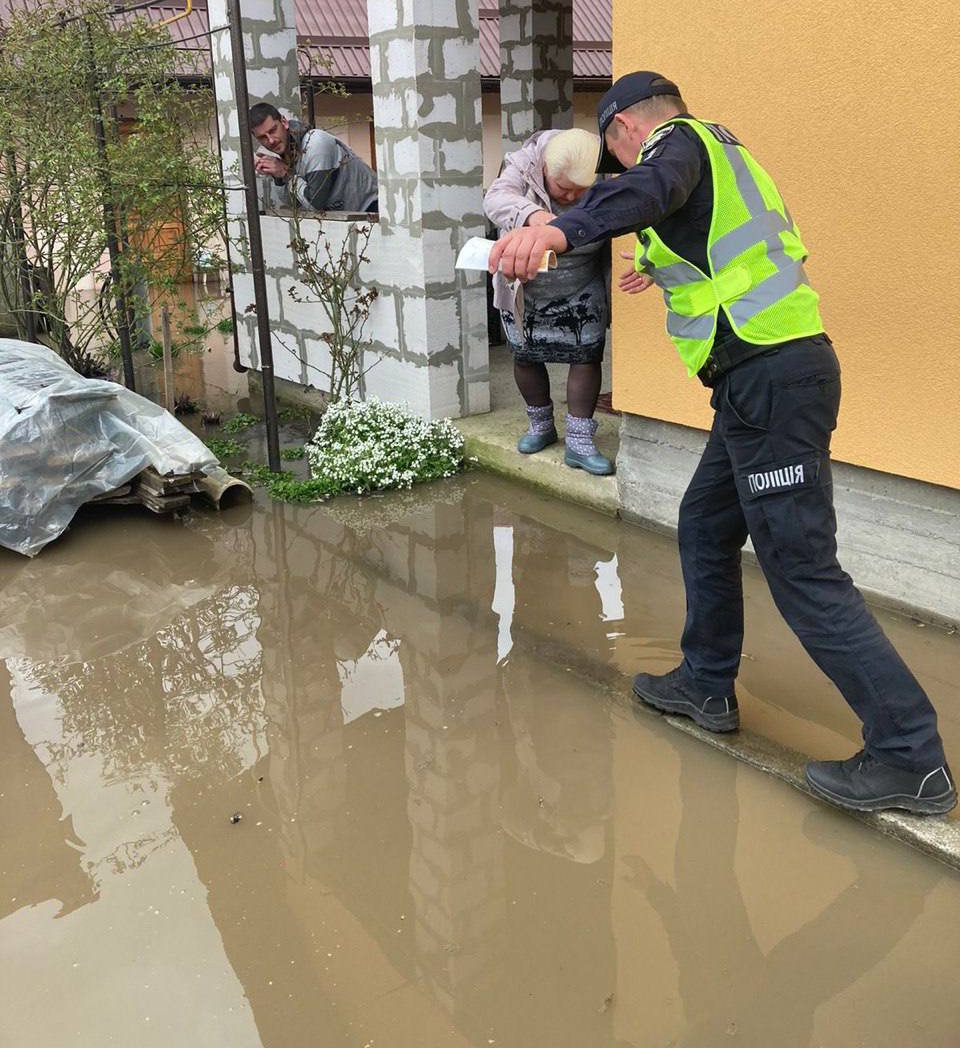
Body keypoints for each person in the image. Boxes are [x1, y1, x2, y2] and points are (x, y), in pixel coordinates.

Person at [489, 70, 955, 816]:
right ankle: (705, 684)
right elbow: (697, 230)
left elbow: (652, 187)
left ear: (623, 129)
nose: (623, 166)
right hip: (756, 382)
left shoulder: (678, 142)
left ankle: (910, 757)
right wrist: (654, 261)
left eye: (616, 151)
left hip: (774, 380)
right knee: (706, 526)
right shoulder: (723, 157)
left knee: (802, 570)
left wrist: (557, 227)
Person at [484, 128, 614, 476]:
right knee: (525, 355)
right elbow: (495, 199)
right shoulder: (522, 164)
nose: (572, 197)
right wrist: (536, 218)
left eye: (581, 190)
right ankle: (540, 426)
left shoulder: (605, 163)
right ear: (543, 169)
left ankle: (580, 441)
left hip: (582, 282)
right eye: (563, 189)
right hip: (525, 285)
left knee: (586, 355)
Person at [249, 103, 378, 215]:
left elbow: (315, 205)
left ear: (284, 122)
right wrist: (278, 175)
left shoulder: (315, 143)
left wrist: (285, 173)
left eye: (273, 130)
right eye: (263, 137)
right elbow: (294, 204)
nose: (271, 140)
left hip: (374, 211)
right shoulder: (286, 152)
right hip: (350, 222)